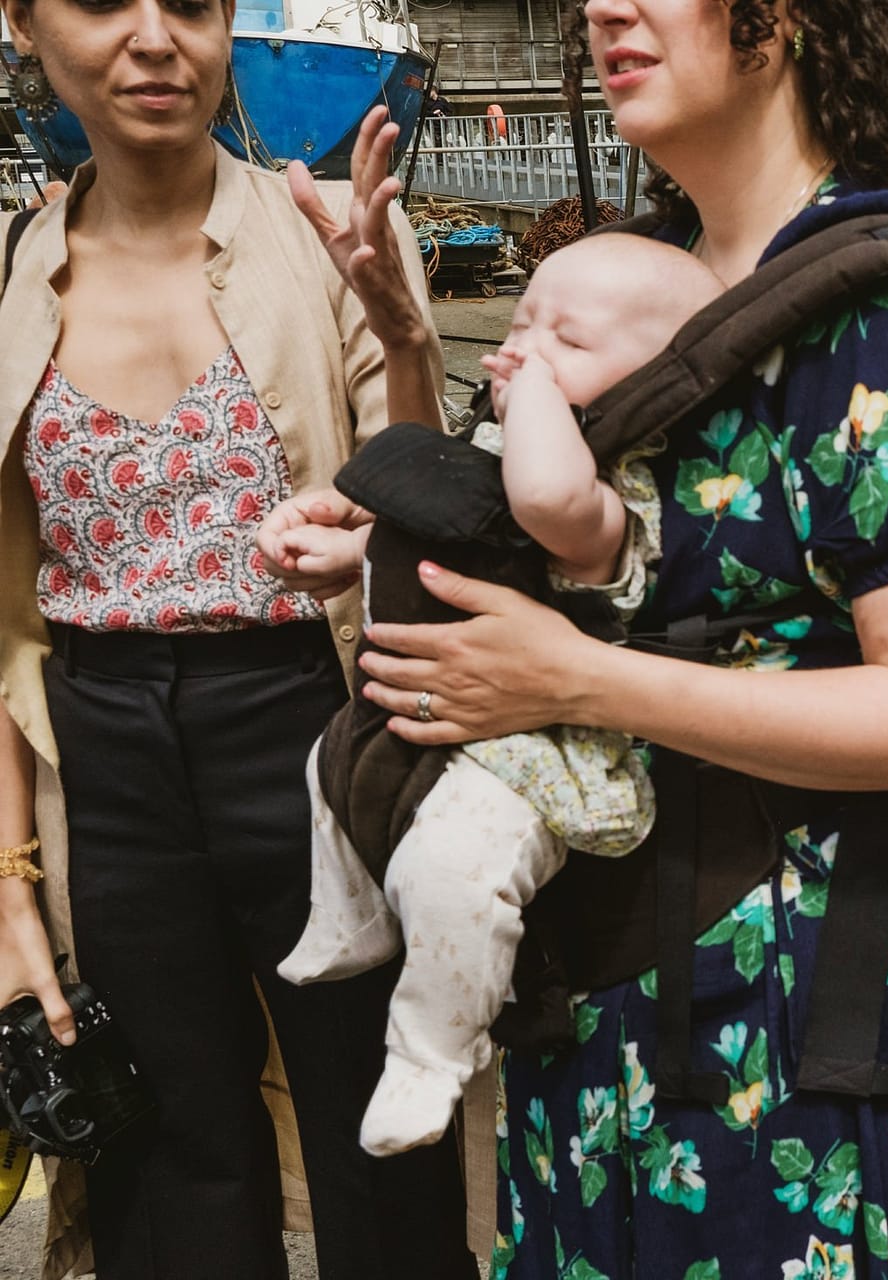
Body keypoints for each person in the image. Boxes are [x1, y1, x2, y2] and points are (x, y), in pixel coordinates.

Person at [278, 0, 888, 1276]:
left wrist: (577, 677)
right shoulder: (650, 270)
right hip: (599, 995)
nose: (603, 7)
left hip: (790, 1011)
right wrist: (406, 343)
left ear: (794, 16)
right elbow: (524, 540)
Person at [0, 2, 475, 1274]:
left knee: (383, 1137)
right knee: (166, 1160)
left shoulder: (328, 232)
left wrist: (407, 328)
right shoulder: (10, 265)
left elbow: (421, 515)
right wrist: (9, 879)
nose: (157, 39)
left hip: (310, 718)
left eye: (195, 5)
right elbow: (3, 618)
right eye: (104, 1)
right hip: (99, 749)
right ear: (21, 22)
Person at [276, 234, 725, 1157]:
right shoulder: (513, 452)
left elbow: (545, 504)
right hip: (450, 719)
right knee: (330, 764)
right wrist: (350, 552)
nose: (523, 350)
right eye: (522, 322)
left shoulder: (607, 497)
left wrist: (536, 403)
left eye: (569, 339)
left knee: (458, 868)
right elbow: (463, 545)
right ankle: (352, 917)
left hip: (536, 760)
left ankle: (433, 1051)